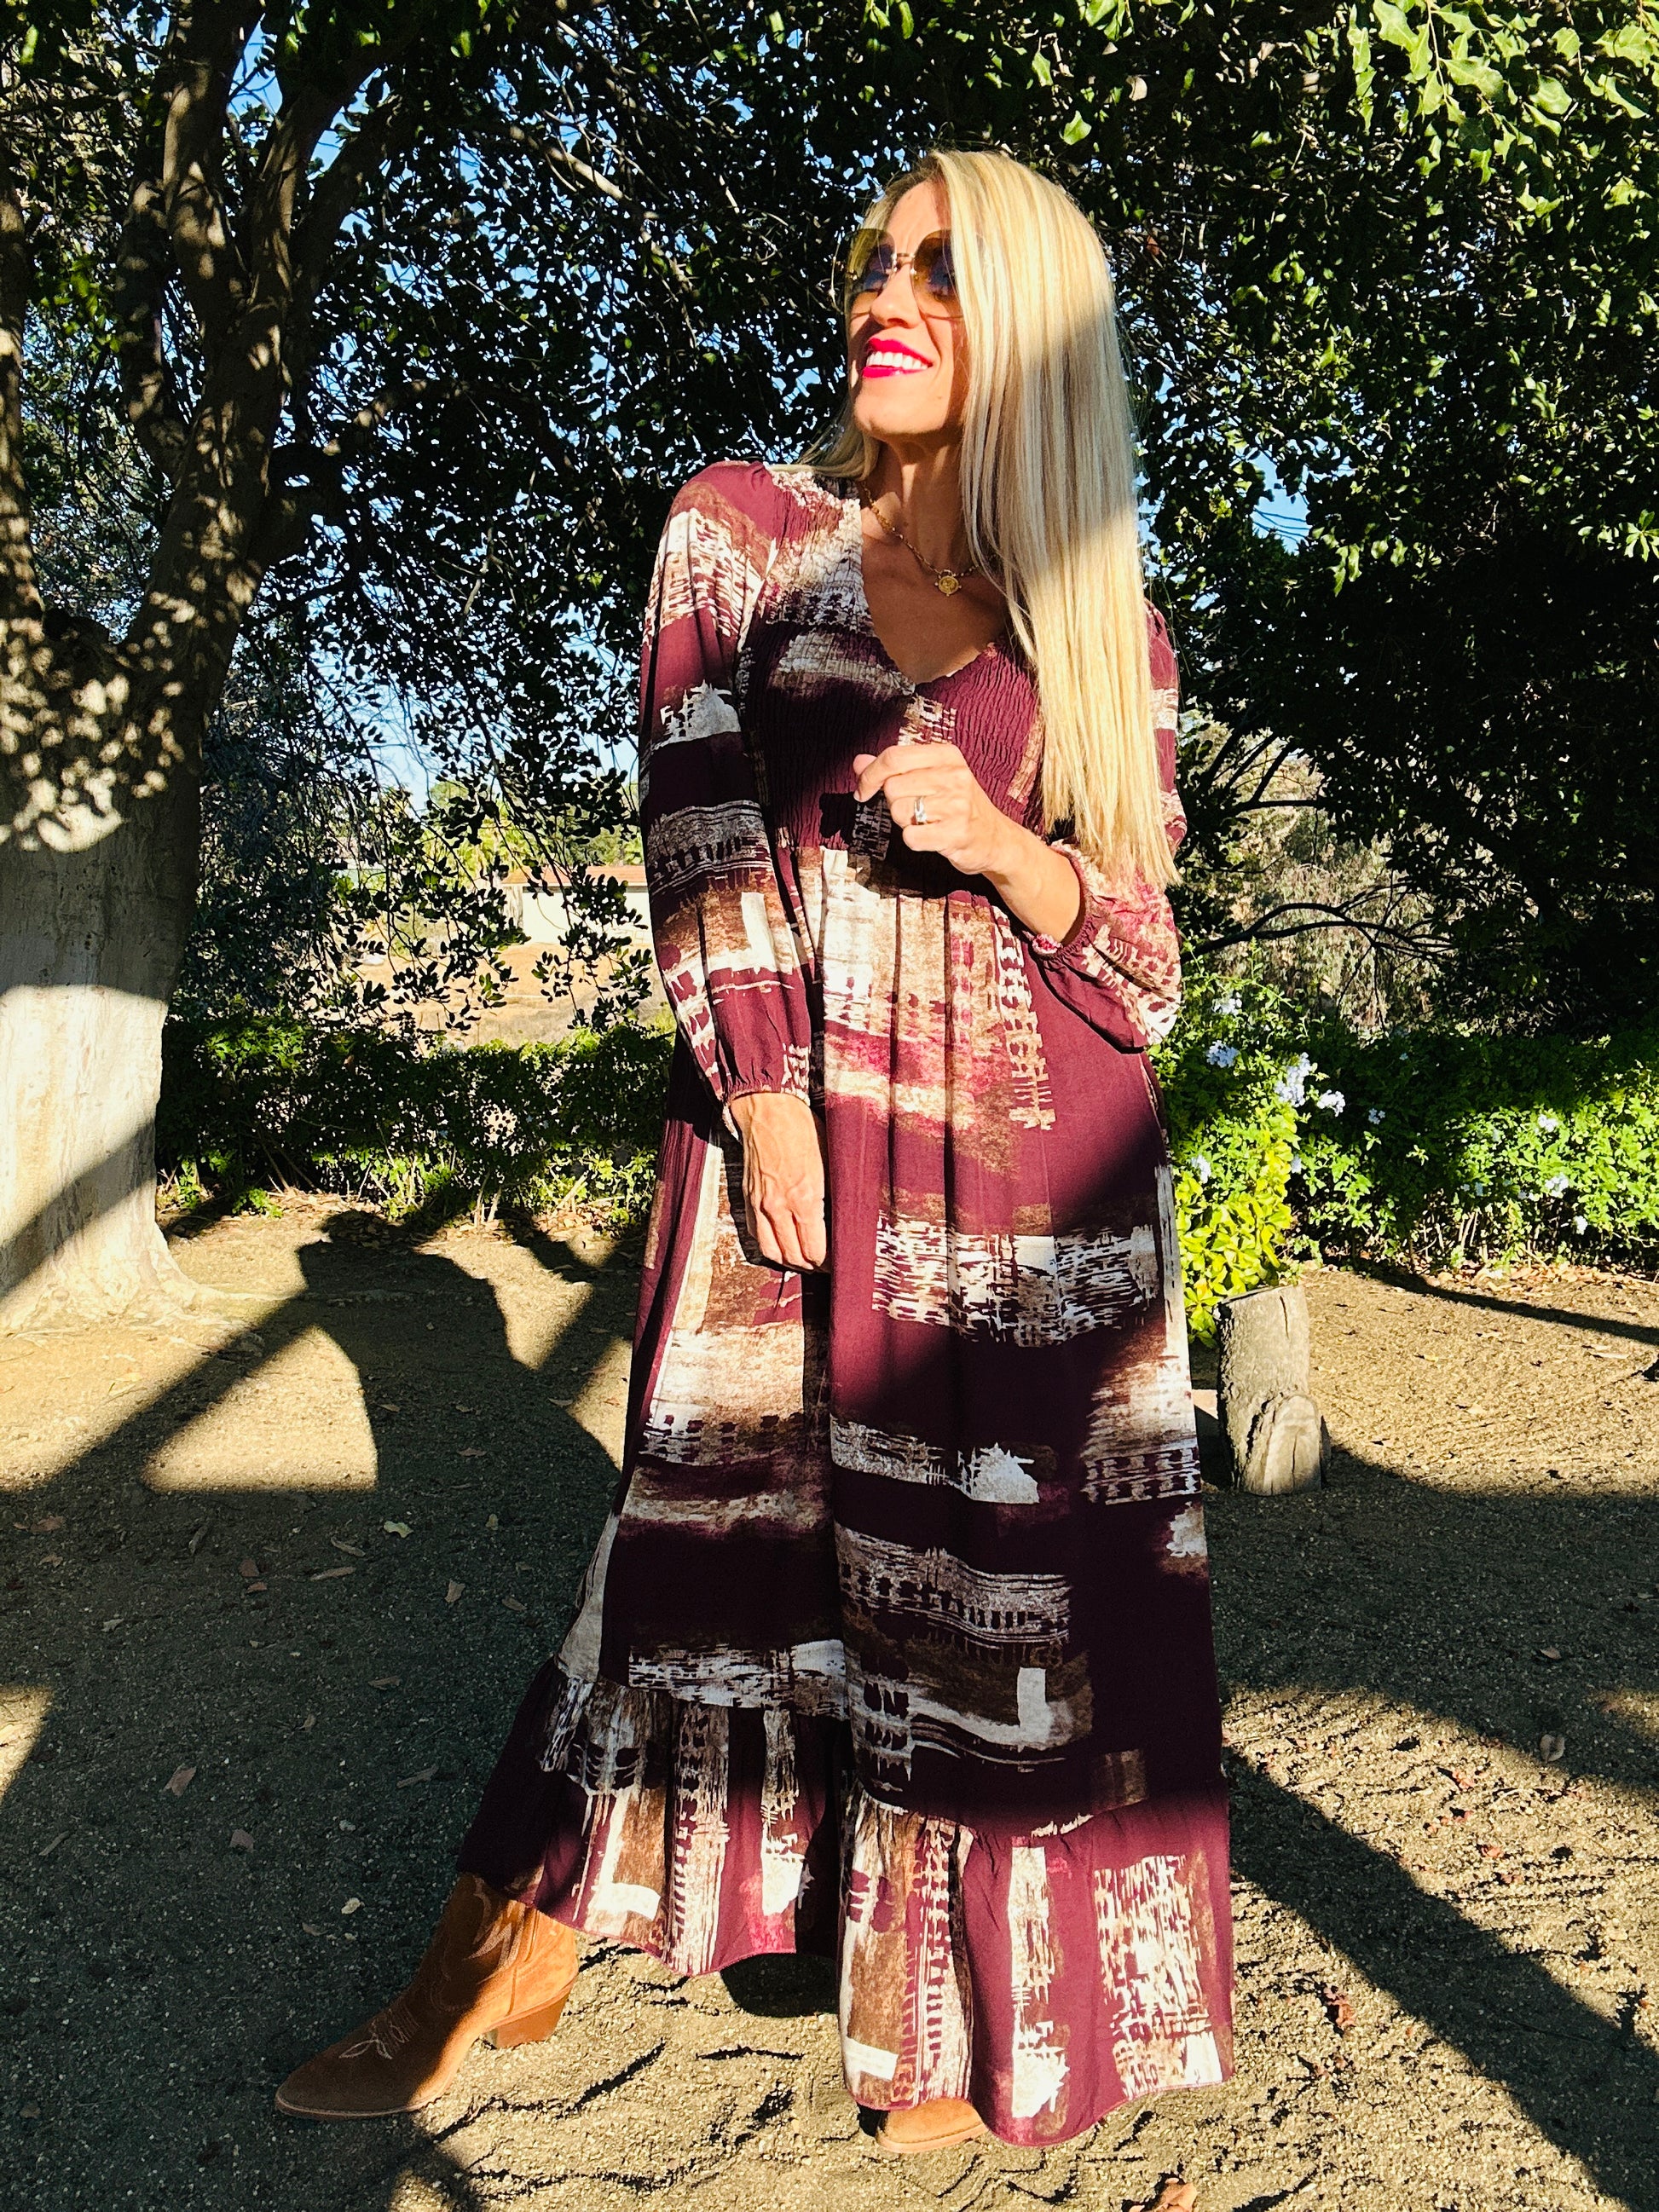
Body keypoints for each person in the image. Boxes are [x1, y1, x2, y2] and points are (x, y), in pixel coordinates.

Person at [277, 147, 1228, 2204]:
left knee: (1005, 1602)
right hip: (791, 1147)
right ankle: (484, 1965)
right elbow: (698, 834)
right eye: (876, 263)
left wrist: (1008, 839)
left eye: (949, 278)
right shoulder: (741, 534)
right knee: (692, 1558)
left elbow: (1144, 971)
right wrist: (770, 1101)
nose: (887, 297)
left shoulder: (1105, 633)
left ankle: (955, 2023)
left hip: (1035, 1206)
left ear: (1041, 339)